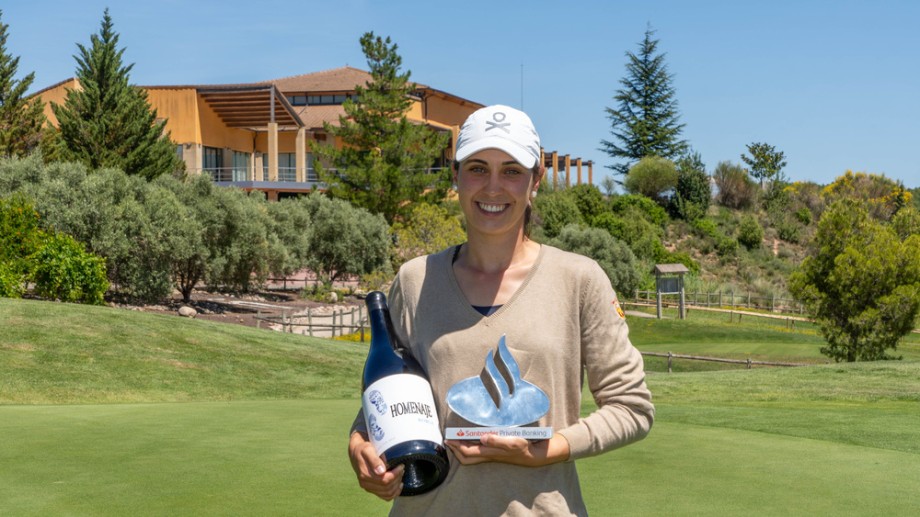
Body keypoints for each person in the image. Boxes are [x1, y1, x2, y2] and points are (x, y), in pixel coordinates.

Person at [348, 104, 654, 516]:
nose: (493, 188)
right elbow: (390, 398)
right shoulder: (414, 279)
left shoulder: (580, 279)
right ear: (455, 175)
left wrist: (546, 452)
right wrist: (360, 443)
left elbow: (631, 407)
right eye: (478, 168)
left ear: (536, 181)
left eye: (511, 170)